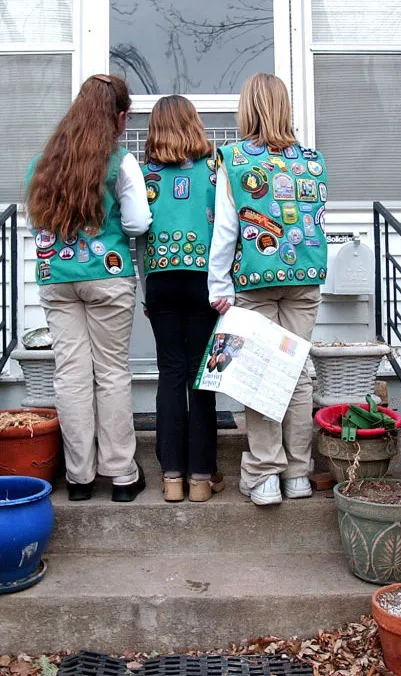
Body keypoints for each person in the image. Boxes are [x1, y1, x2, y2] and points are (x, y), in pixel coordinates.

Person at [25, 74, 151, 503]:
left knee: (71, 375)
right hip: (107, 275)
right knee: (112, 373)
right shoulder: (121, 162)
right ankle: (121, 475)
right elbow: (136, 224)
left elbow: (38, 222)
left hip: (57, 279)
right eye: (125, 117)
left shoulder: (43, 163)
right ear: (117, 117)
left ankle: (79, 479)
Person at [207, 73, 329, 506]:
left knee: (261, 374)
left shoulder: (235, 159)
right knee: (296, 374)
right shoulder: (311, 160)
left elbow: (226, 229)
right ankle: (298, 473)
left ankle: (264, 475)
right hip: (305, 279)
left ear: (248, 109)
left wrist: (218, 285)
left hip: (256, 280)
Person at [139, 95, 225, 503]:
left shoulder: (143, 176)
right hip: (204, 280)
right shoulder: (216, 170)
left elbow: (136, 237)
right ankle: (203, 477)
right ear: (195, 124)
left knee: (170, 373)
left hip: (160, 279)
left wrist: (145, 288)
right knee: (202, 374)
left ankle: (172, 475)